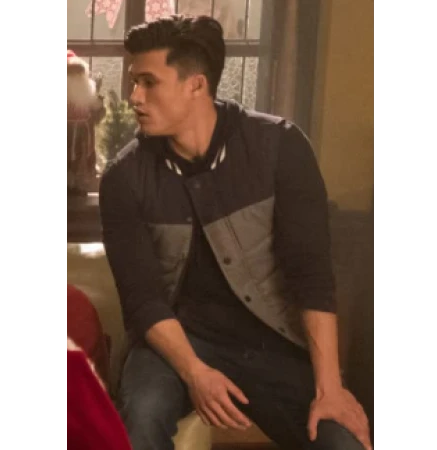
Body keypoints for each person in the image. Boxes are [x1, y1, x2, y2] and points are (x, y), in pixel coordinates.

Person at [99, 15, 372, 450]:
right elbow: (142, 300)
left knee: (341, 440)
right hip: (176, 340)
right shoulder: (123, 178)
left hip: (273, 340)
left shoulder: (281, 146)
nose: (134, 96)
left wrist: (330, 389)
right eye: (134, 82)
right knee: (142, 413)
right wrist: (195, 372)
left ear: (196, 85)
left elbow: (312, 277)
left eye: (148, 82)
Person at [66, 49, 105, 196]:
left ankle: (79, 187)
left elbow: (98, 115)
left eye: (79, 73)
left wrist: (99, 106)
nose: (76, 77)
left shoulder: (90, 92)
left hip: (84, 135)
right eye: (72, 73)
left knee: (81, 162)